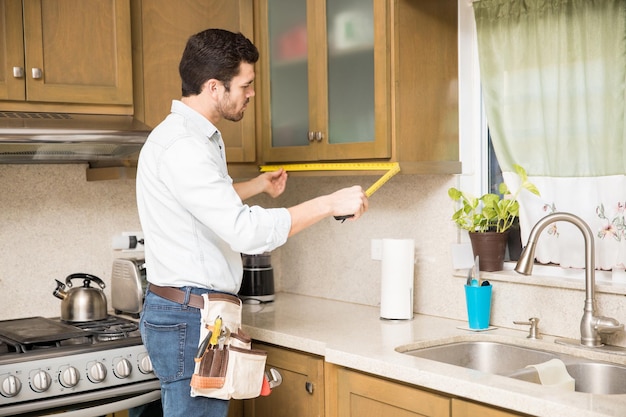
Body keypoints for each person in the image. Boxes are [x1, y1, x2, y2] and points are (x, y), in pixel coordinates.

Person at [135, 28, 368, 417]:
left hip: (191, 313)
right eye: (246, 84)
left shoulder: (193, 137)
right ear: (214, 87)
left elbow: (201, 204)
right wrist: (329, 203)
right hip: (190, 319)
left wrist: (255, 186)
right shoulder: (185, 147)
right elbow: (245, 231)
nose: (252, 93)